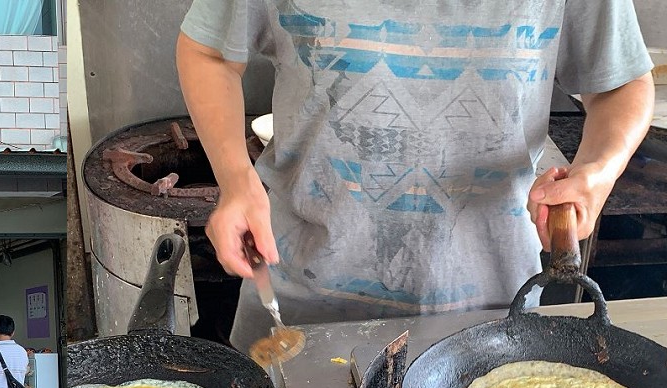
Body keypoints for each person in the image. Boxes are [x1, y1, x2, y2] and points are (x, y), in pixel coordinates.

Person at [176, 2, 655, 353]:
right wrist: (235, 179)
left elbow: (621, 82)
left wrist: (598, 171)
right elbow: (210, 53)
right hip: (298, 306)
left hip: (489, 313)